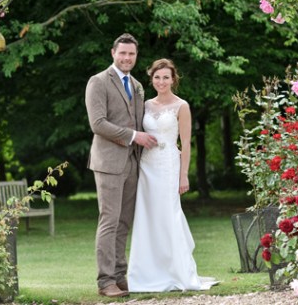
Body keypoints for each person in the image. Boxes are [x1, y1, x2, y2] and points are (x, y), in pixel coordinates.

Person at [126, 58, 219, 292]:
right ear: (151, 79)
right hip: (147, 167)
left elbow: (186, 144)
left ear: (173, 79)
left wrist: (184, 175)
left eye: (166, 77)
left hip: (169, 166)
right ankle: (146, 273)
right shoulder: (145, 104)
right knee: (147, 217)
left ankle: (177, 271)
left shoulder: (182, 106)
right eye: (157, 77)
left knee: (169, 214)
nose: (161, 81)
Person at [85, 33, 158, 298]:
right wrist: (132, 136)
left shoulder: (137, 85)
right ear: (113, 53)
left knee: (124, 222)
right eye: (123, 53)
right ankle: (105, 282)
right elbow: (98, 123)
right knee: (109, 220)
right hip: (108, 163)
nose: (127, 58)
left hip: (133, 163)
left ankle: (119, 276)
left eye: (132, 54)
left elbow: (140, 122)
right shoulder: (98, 82)